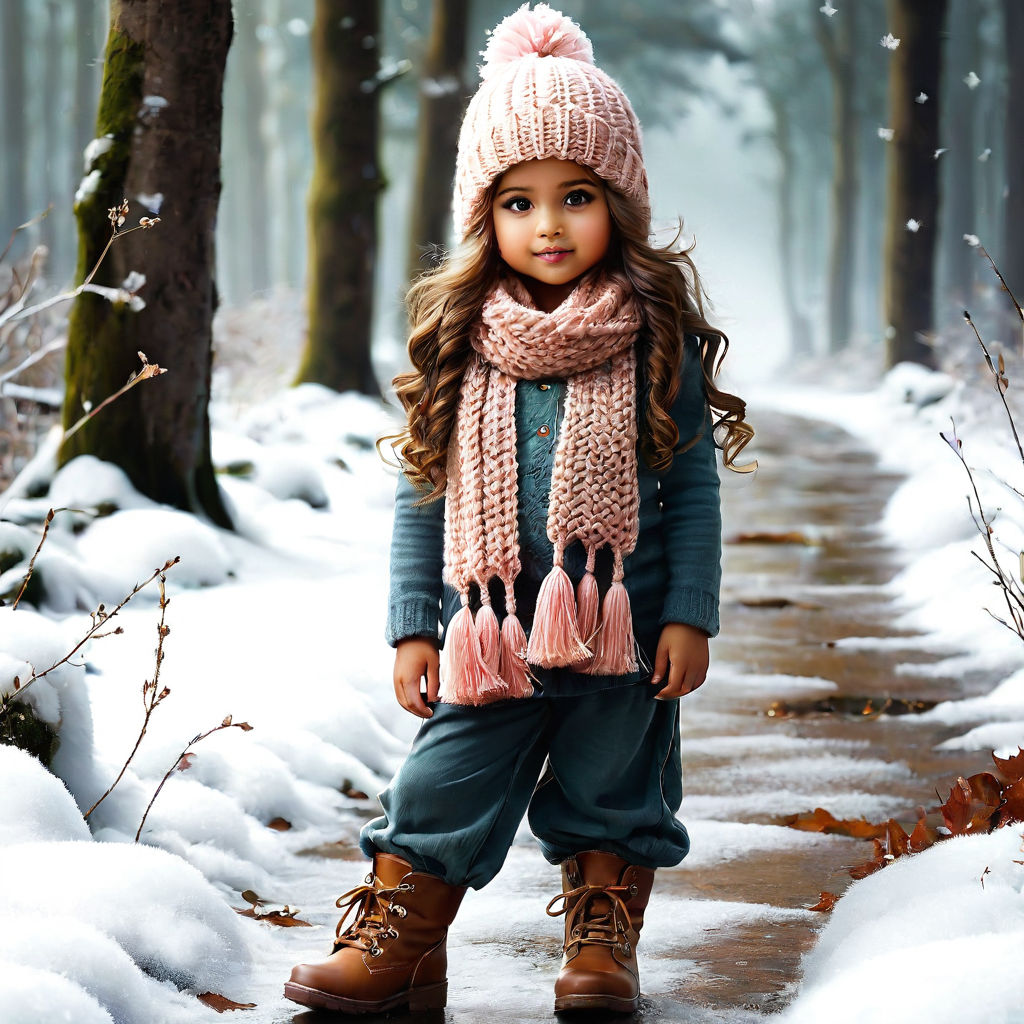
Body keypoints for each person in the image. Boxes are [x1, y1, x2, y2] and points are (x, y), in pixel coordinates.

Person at [285, 2, 753, 1016]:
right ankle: (404, 941)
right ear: (481, 215)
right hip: (484, 634)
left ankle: (602, 938)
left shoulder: (650, 333)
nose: (548, 226)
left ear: (617, 202)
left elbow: (694, 486)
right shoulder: (462, 336)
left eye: (576, 196)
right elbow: (424, 492)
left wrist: (689, 613)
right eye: (519, 202)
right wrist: (414, 625)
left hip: (619, 628)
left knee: (611, 793)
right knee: (439, 784)